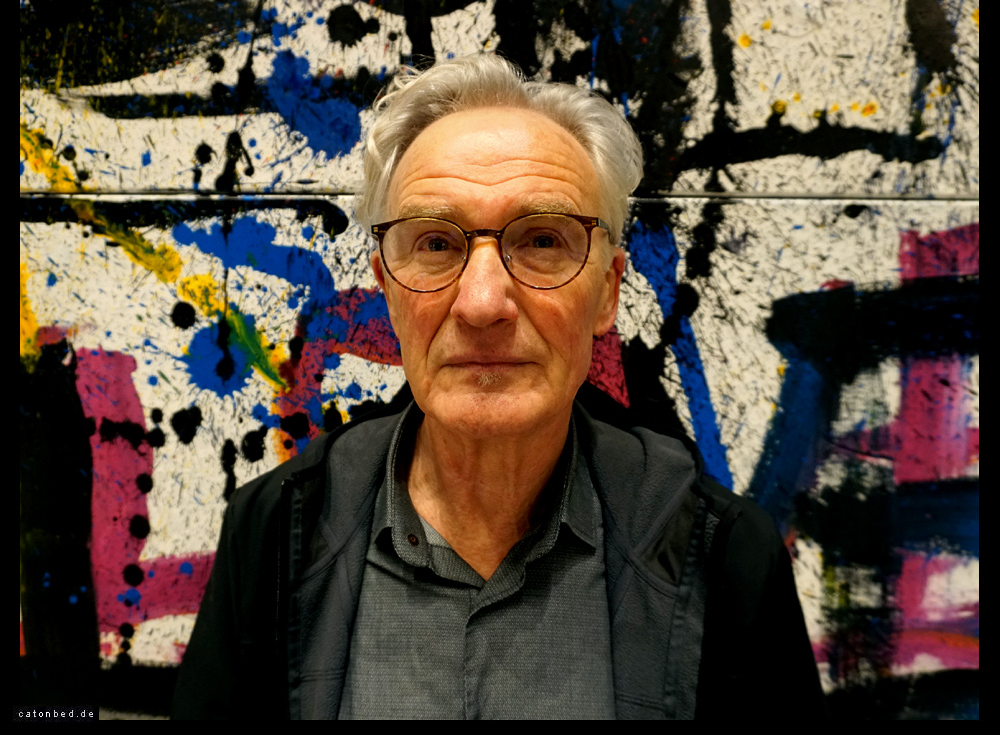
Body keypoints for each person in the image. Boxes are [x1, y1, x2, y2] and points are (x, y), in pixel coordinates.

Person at [172, 53, 824, 719]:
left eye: (541, 241)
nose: (483, 303)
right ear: (387, 289)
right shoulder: (273, 534)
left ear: (607, 291)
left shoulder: (722, 556)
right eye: (435, 244)